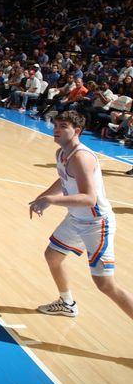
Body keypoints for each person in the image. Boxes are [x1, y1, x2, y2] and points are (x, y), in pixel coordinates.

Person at [29, 111, 133, 319]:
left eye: (63, 126)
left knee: (105, 284)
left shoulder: (81, 157)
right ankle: (67, 303)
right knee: (52, 256)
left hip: (97, 223)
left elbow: (89, 198)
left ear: (77, 131)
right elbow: (64, 179)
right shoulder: (61, 153)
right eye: (56, 125)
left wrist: (52, 200)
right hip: (76, 219)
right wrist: (43, 196)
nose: (56, 129)